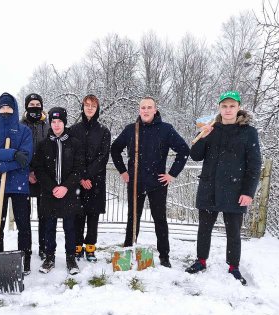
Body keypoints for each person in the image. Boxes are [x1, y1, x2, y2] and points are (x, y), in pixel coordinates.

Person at [185, 91, 262, 285]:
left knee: (233, 231)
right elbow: (195, 155)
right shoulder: (210, 128)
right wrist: (203, 137)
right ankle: (201, 261)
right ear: (219, 108)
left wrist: (248, 192)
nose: (228, 110)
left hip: (235, 190)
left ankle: (233, 266)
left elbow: (254, 165)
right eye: (224, 106)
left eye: (232, 106)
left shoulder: (248, 132)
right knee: (204, 229)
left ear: (238, 108)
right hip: (209, 186)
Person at [110, 97, 190, 267]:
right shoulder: (131, 130)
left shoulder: (166, 129)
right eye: (142, 108)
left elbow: (183, 150)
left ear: (155, 110)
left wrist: (172, 174)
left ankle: (164, 255)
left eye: (149, 107)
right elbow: (115, 149)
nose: (145, 111)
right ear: (139, 110)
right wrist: (123, 171)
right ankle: (128, 250)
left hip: (157, 184)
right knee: (133, 218)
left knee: (160, 219)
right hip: (135, 183)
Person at [0, 92, 33, 275]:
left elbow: (25, 158)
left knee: (23, 224)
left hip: (19, 185)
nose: (6, 111)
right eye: (2, 108)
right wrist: (13, 154)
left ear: (15, 110)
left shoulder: (24, 131)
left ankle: (24, 258)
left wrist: (3, 167)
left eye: (9, 108)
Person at [32, 107, 84, 275]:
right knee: (49, 227)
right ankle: (49, 258)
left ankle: (71, 258)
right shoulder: (43, 144)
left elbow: (78, 169)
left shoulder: (75, 143)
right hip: (49, 193)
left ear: (64, 122)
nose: (56, 125)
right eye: (53, 122)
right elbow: (39, 169)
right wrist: (52, 187)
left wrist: (66, 186)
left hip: (68, 193)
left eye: (59, 121)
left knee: (70, 227)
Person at [70, 94, 111, 262]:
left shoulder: (103, 131)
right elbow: (70, 156)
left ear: (97, 109)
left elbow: (103, 156)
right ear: (82, 107)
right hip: (77, 181)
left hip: (96, 181)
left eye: (93, 106)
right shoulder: (73, 130)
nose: (89, 108)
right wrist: (80, 177)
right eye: (87, 105)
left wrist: (89, 176)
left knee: (93, 216)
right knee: (78, 215)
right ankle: (77, 246)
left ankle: (91, 247)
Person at [20, 93, 50, 260]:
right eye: (31, 104)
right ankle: (26, 248)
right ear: (26, 106)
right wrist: (28, 172)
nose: (34, 106)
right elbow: (18, 151)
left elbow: (50, 151)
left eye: (37, 103)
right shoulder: (20, 125)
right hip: (24, 176)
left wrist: (39, 172)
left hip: (43, 177)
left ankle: (43, 247)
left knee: (44, 215)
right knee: (24, 216)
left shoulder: (47, 125)